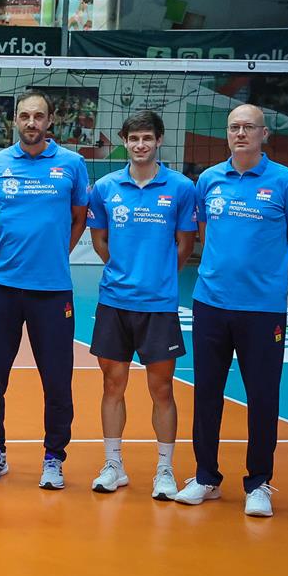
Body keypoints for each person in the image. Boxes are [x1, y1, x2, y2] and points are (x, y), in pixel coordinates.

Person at [177, 104, 288, 517]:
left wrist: (282, 277)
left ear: (264, 134)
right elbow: (206, 232)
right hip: (211, 304)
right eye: (234, 127)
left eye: (249, 127)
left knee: (262, 396)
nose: (240, 133)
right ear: (227, 133)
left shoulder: (286, 182)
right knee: (206, 393)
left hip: (262, 310)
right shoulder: (209, 179)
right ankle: (206, 477)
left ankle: (258, 483)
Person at [0, 90, 89, 489]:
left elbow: (79, 218)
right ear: (15, 120)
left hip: (52, 290)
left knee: (57, 379)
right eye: (24, 116)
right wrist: (2, 248)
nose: (31, 123)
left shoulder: (72, 164)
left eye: (39, 116)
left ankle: (54, 457)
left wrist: (56, 253)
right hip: (0, 286)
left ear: (50, 120)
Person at [86, 110, 197, 500]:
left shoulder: (181, 188)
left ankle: (165, 469)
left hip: (159, 305)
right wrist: (124, 271)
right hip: (114, 301)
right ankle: (113, 465)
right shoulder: (105, 187)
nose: (140, 144)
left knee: (161, 388)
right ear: (125, 141)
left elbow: (185, 245)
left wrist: (157, 276)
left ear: (159, 140)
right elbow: (99, 240)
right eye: (133, 138)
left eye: (147, 137)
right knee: (112, 385)